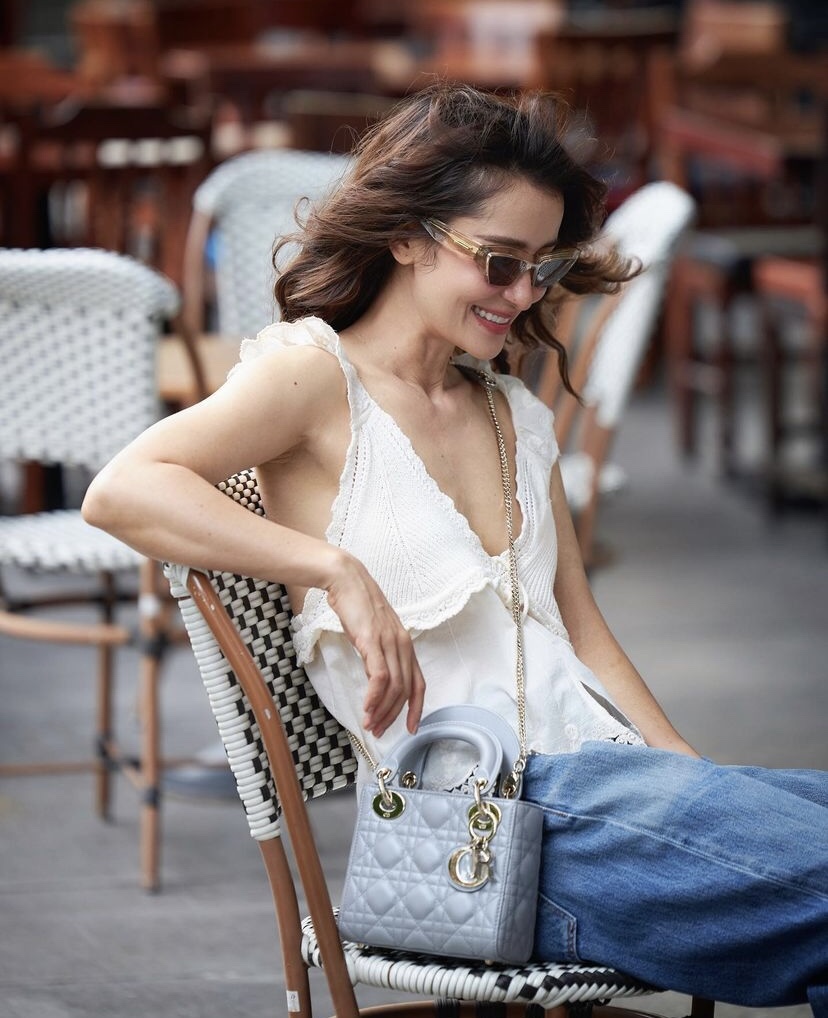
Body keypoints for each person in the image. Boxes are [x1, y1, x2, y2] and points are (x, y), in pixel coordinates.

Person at [82, 83, 827, 1013]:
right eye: (500, 262)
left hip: (615, 789)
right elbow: (123, 489)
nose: (523, 295)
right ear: (408, 235)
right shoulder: (314, 377)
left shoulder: (513, 413)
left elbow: (581, 631)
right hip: (485, 825)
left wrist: (687, 770)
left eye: (543, 268)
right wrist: (332, 568)